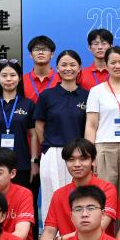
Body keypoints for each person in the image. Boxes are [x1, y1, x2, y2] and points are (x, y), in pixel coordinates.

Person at [32, 139, 120, 240]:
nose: (77, 164)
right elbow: (49, 231)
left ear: (93, 161)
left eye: (83, 159)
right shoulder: (59, 195)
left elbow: (99, 228)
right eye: (71, 160)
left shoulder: (107, 189)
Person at [34, 49, 88, 222]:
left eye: (72, 65)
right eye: (63, 65)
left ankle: (77, 232)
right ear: (57, 68)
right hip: (53, 153)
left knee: (78, 196)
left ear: (79, 68)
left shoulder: (87, 96)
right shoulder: (47, 95)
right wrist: (48, 146)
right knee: (52, 196)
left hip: (79, 155)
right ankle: (52, 235)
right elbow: (39, 125)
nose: (68, 68)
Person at [84, 45, 120, 190]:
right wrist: (90, 155)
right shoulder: (96, 91)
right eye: (113, 62)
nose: (117, 66)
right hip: (104, 147)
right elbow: (91, 126)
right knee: (104, 192)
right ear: (106, 65)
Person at [0, 59, 38, 187]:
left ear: (20, 78)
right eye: (4, 75)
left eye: (13, 75)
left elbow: (33, 135)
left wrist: (34, 161)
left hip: (21, 164)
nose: (8, 79)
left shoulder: (28, 104)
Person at [21, 35, 59, 102]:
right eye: (37, 49)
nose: (41, 52)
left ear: (52, 54)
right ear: (31, 54)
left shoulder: (61, 80)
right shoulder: (22, 81)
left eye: (45, 49)